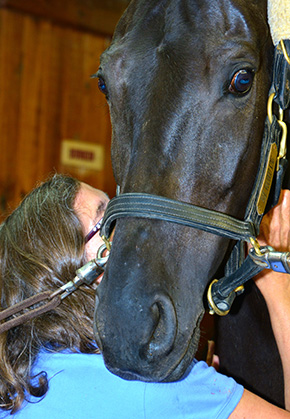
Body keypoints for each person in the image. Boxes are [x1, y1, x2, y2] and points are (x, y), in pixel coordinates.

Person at [0, 173, 290, 418]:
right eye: (107, 222)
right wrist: (277, 283)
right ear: (86, 270)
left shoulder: (15, 380)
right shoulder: (156, 383)